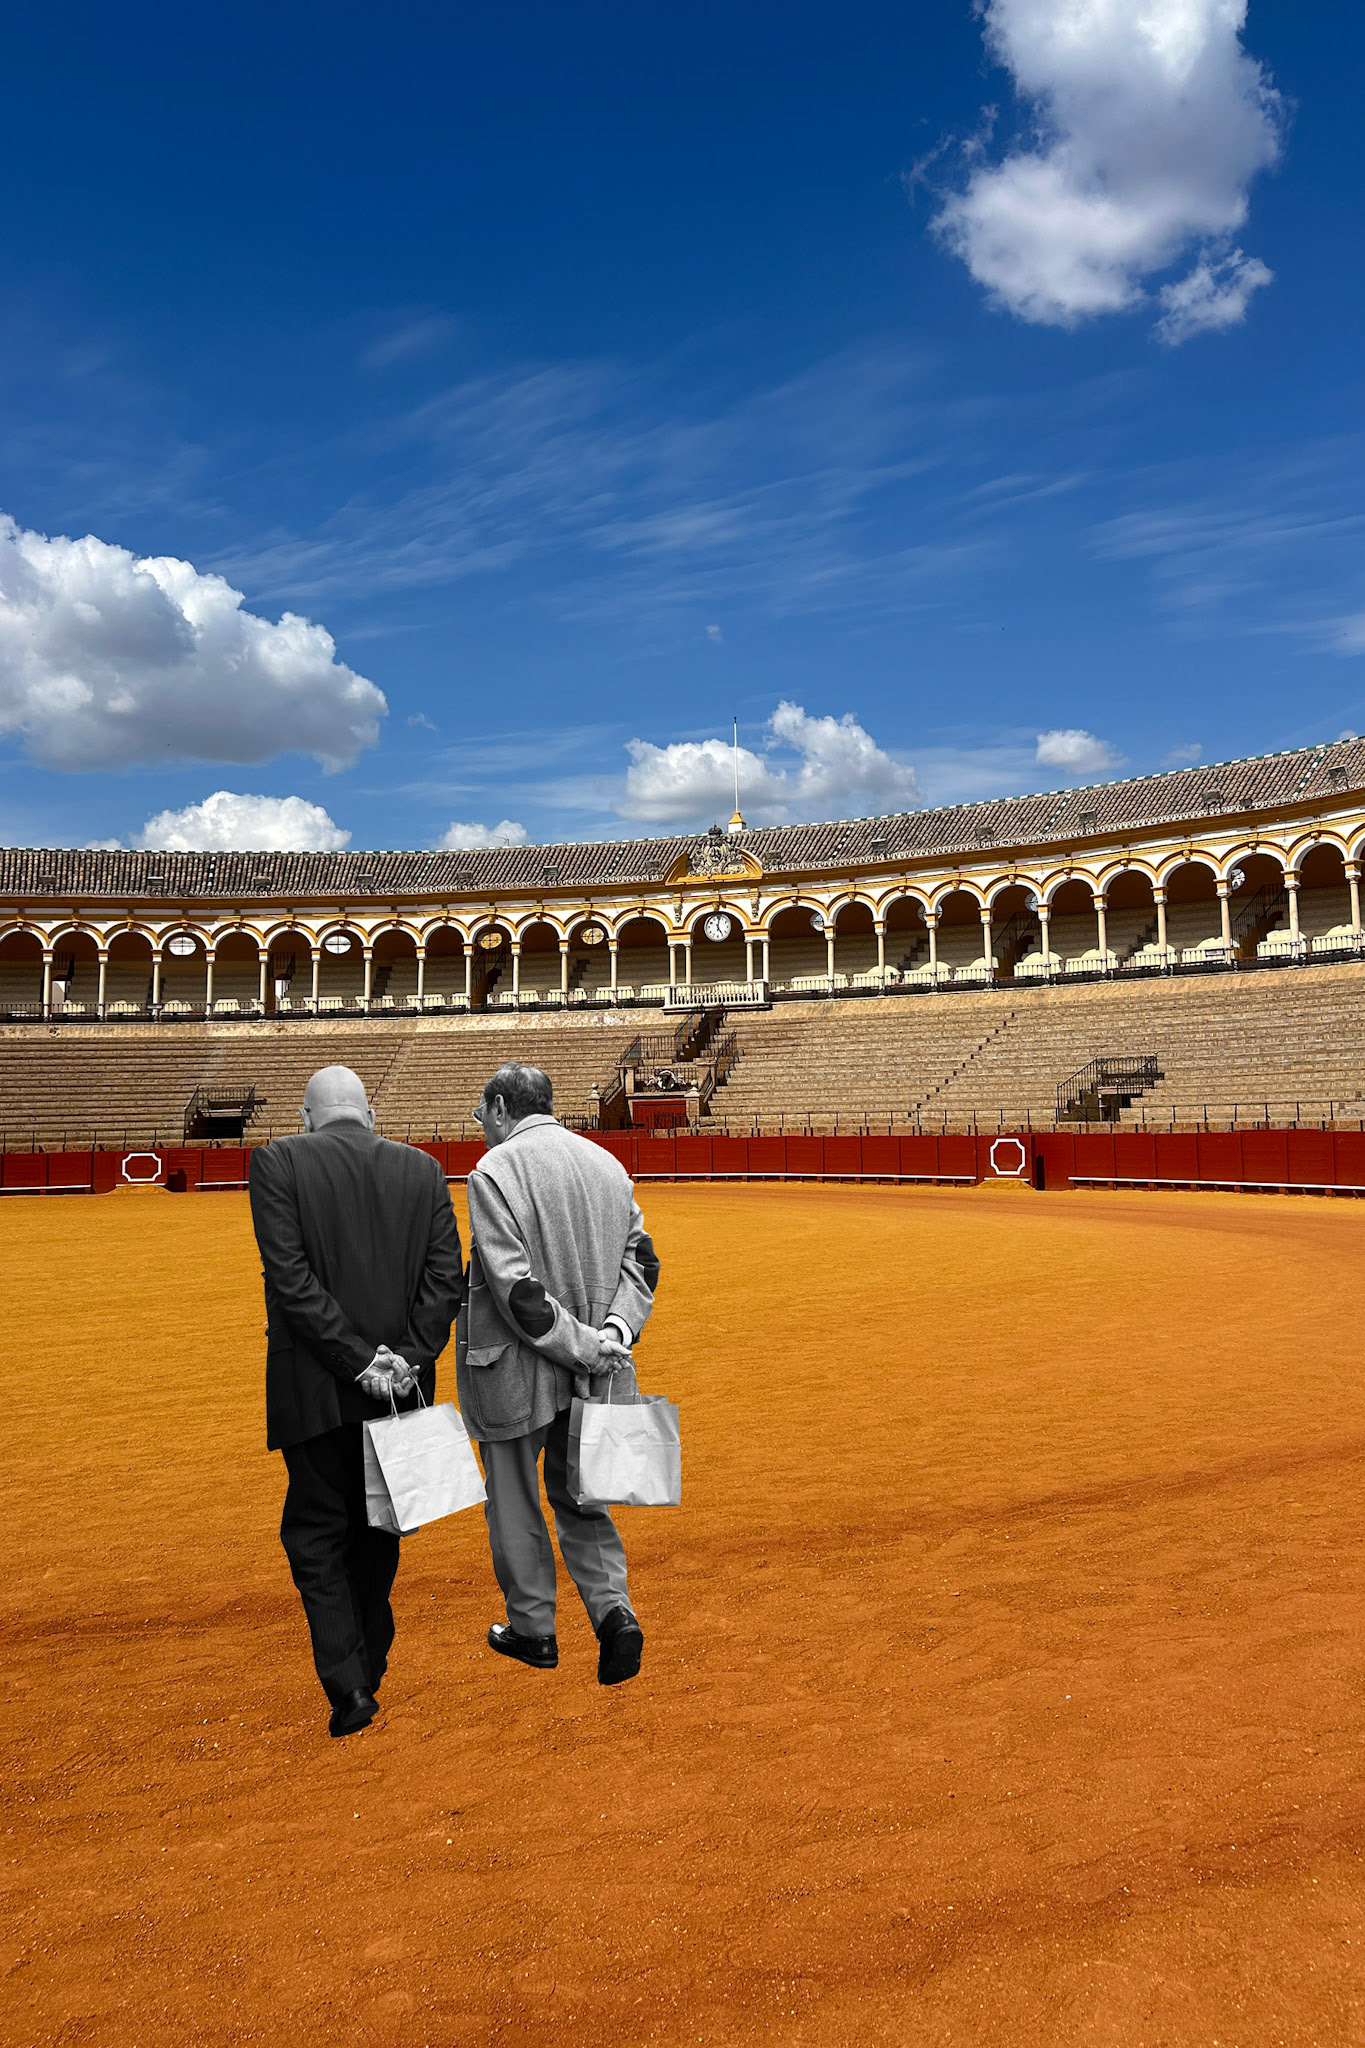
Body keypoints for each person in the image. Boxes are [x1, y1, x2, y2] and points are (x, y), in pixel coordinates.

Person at [248, 1065, 464, 1738]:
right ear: (369, 1115)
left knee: (316, 1532)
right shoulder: (423, 1170)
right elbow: (445, 1281)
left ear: (307, 1117)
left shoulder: (277, 1160)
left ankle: (349, 1686)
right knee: (380, 1530)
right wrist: (405, 1358)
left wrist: (356, 1358)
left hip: (314, 1388)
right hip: (401, 1392)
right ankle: (366, 1665)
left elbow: (290, 1278)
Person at [459, 1062, 660, 1685]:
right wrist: (615, 1335)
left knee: (514, 1498)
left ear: (498, 1107)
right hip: (599, 1370)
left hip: (517, 1369)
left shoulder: (494, 1172)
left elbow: (515, 1289)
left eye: (481, 1116)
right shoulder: (608, 1165)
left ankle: (534, 1629)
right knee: (583, 1498)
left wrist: (581, 1346)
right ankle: (614, 1615)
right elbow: (644, 1264)